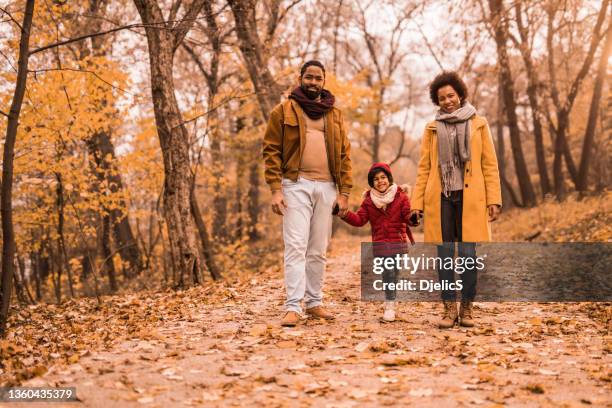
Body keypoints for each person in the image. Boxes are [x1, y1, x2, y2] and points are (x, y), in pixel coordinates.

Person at [262, 60, 353, 327]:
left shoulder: (335, 114)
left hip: (327, 187)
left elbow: (345, 154)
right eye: (309, 77)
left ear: (324, 81)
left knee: (318, 249)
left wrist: (344, 192)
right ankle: (293, 306)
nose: (313, 82)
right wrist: (275, 189)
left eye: (318, 78)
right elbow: (271, 151)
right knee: (295, 246)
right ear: (301, 78)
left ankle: (314, 303)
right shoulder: (284, 110)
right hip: (295, 184)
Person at [410, 71, 502, 329]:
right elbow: (424, 168)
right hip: (441, 199)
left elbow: (489, 164)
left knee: (469, 255)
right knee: (445, 256)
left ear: (460, 95)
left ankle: (467, 310)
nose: (447, 101)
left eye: (451, 95)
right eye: (442, 98)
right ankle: (449, 309)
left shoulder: (479, 124)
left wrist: (494, 198)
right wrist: (416, 204)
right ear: (436, 101)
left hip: (471, 197)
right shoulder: (431, 129)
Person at [337, 163, 416, 322]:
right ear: (372, 183)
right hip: (380, 243)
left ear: (389, 178)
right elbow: (360, 220)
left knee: (394, 272)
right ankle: (389, 304)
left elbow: (408, 216)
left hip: (397, 242)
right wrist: (344, 214)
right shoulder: (368, 201)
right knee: (387, 273)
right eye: (376, 179)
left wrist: (414, 218)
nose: (380, 181)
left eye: (383, 177)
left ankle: (391, 300)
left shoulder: (401, 197)